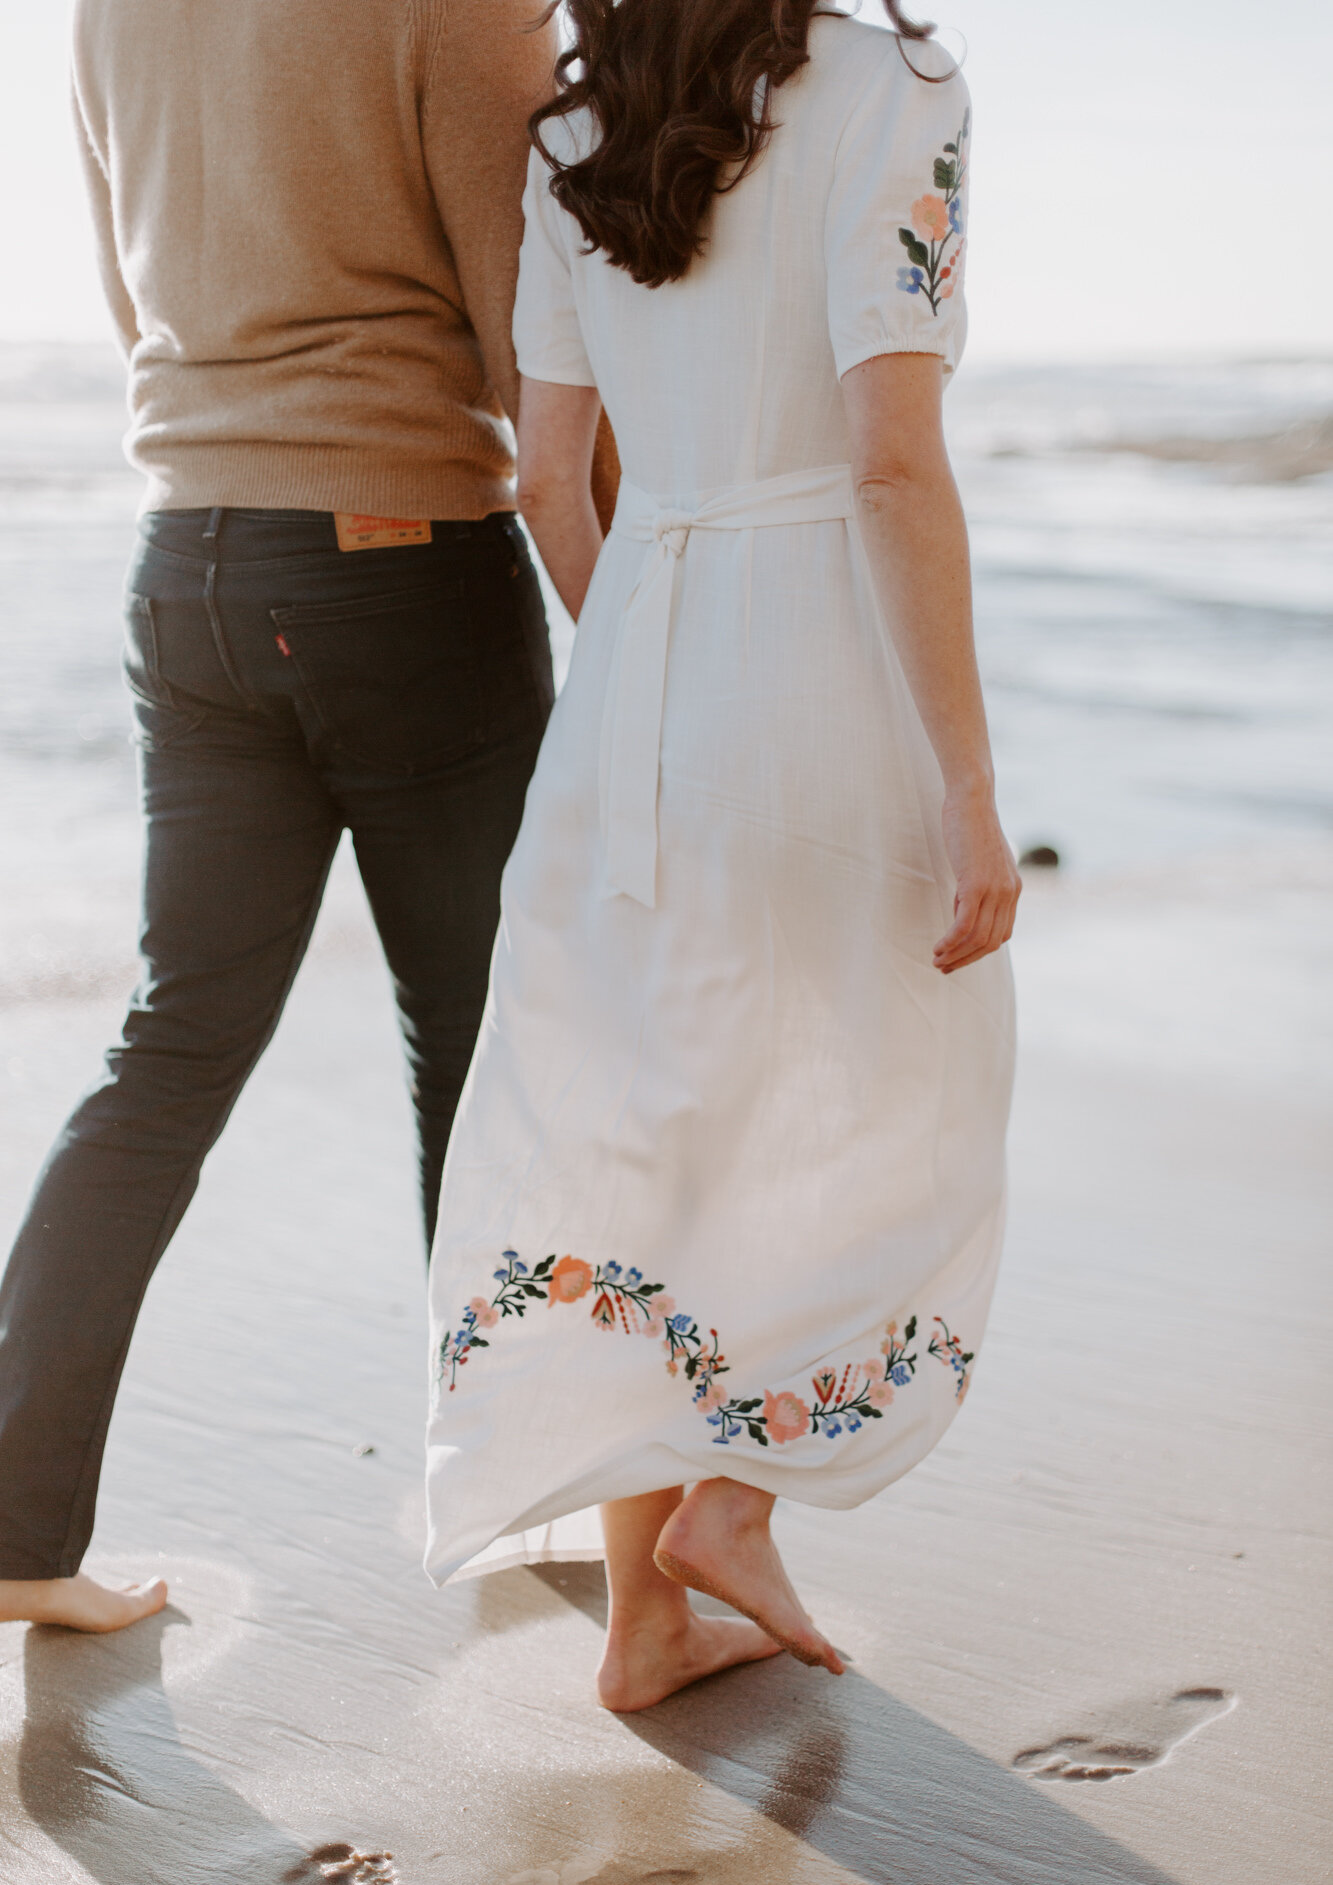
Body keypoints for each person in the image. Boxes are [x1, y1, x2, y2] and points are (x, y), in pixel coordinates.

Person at [422, 0, 1021, 1712]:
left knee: (638, 1132)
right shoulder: (895, 86)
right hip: (817, 651)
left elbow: (547, 478)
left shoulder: (571, 130)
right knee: (901, 1086)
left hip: (638, 684)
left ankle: (639, 1624)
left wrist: (651, 691)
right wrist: (967, 789)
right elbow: (891, 463)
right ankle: (736, 1503)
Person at [0, 0, 592, 1634]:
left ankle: (13, 1531)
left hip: (184, 560)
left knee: (169, 1047)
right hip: (399, 563)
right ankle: (511, 1487)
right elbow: (518, 339)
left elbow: (133, 297)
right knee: (476, 1038)